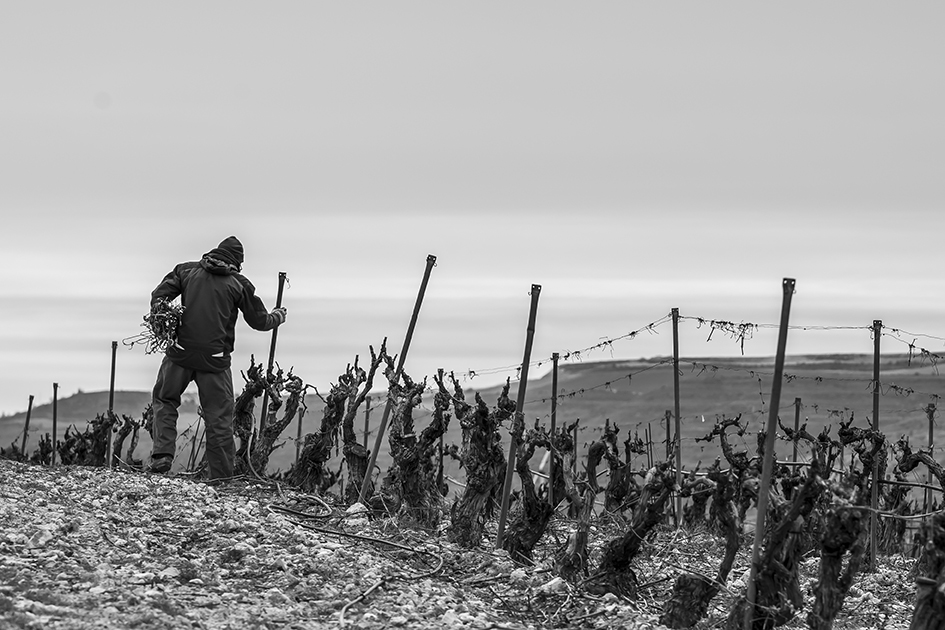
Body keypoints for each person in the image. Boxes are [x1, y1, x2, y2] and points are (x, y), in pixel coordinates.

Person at [147, 236, 286, 479]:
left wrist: (165, 320)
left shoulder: (185, 271)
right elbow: (259, 321)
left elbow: (159, 297)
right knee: (219, 418)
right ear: (238, 262)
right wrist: (277, 317)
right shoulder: (239, 284)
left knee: (164, 399)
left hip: (180, 353)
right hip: (215, 361)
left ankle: (162, 456)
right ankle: (222, 477)